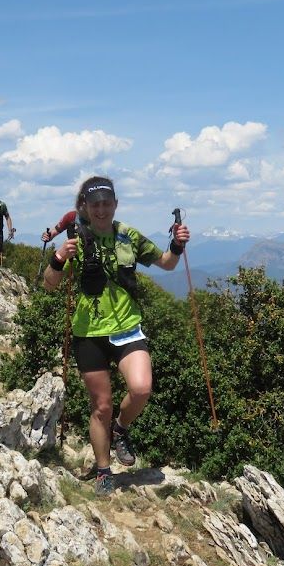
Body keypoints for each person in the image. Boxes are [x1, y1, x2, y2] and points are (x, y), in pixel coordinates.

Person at [43, 176, 190, 496]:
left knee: (141, 388)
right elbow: (49, 284)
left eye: (106, 203)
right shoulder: (75, 240)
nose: (101, 209)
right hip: (89, 333)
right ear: (84, 207)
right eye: (94, 204)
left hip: (127, 328)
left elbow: (167, 263)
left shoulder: (129, 236)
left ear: (115, 204)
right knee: (101, 406)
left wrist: (177, 243)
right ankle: (103, 470)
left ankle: (120, 430)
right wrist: (59, 258)